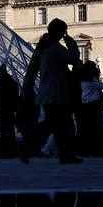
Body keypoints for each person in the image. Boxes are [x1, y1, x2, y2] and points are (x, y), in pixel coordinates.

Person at [21, 18, 83, 164]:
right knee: (61, 125)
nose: (63, 35)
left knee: (55, 124)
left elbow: (31, 71)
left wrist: (26, 88)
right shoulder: (55, 48)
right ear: (59, 32)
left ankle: (63, 154)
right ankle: (29, 149)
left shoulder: (41, 48)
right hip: (58, 93)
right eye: (63, 32)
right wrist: (71, 43)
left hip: (46, 92)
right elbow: (74, 58)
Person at [76, 61, 103, 157]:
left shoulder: (82, 80)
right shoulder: (92, 80)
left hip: (85, 106)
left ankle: (86, 151)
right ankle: (102, 150)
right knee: (98, 128)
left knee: (87, 129)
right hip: (93, 106)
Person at [0, 66, 19, 158]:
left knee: (3, 132)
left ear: (1, 73)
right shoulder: (13, 83)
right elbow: (16, 97)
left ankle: (5, 150)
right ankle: (13, 150)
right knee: (11, 131)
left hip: (2, 109)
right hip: (11, 110)